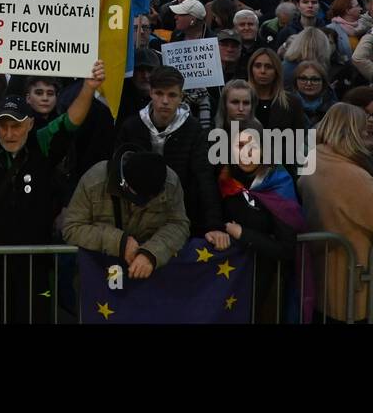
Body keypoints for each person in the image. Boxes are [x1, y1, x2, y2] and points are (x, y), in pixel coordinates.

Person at [0, 54, 103, 322]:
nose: (9, 133)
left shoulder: (42, 142)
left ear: (29, 125)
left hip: (34, 261)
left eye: (16, 125)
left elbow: (70, 122)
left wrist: (88, 87)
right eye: (3, 125)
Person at [299, 103, 373, 322]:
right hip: (352, 285)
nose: (370, 133)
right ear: (353, 132)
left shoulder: (315, 160)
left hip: (324, 279)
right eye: (365, 130)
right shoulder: (351, 175)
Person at [115, 65, 227, 245]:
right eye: (159, 93)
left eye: (172, 95)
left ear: (181, 96)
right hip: (136, 216)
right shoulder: (131, 126)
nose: (165, 101)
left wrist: (214, 224)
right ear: (150, 93)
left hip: (181, 214)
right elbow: (118, 175)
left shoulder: (194, 129)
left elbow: (204, 178)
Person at [217, 120, 306, 323]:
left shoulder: (280, 181)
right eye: (240, 145)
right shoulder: (222, 178)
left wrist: (243, 234)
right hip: (227, 281)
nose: (246, 153)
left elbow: (287, 249)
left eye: (253, 146)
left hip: (266, 284)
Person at [62, 147, 190, 279]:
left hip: (151, 276)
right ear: (125, 185)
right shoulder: (95, 181)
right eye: (136, 198)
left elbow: (179, 225)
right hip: (98, 275)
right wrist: (120, 242)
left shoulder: (170, 183)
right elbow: (72, 228)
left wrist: (151, 253)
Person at [246, 47, 306, 133]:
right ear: (251, 69)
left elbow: (299, 139)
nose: (262, 71)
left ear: (276, 71)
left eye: (269, 67)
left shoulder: (292, 102)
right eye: (258, 66)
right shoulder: (239, 100)